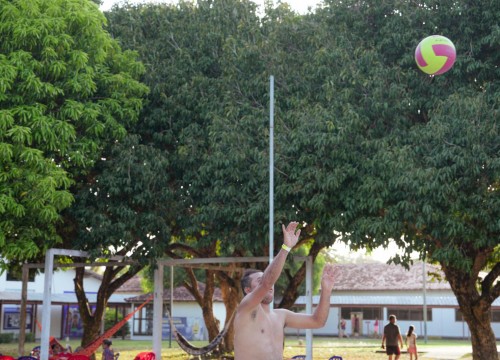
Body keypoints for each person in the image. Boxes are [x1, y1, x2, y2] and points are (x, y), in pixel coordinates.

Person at [233, 221, 336, 360]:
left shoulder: (281, 316)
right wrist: (286, 247)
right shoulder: (246, 309)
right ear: (248, 290)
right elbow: (267, 282)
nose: (270, 284)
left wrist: (326, 291)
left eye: (265, 279)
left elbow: (317, 321)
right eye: (259, 280)